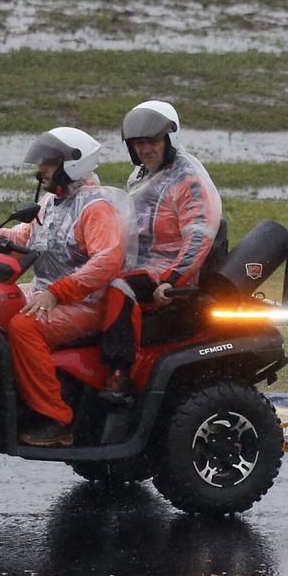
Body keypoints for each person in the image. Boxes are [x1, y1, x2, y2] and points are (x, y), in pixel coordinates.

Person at [0, 127, 135, 446]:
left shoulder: (95, 207)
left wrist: (57, 294)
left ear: (73, 163)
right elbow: (25, 238)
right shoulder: (53, 201)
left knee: (24, 327)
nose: (40, 168)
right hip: (48, 291)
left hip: (86, 302)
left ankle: (56, 419)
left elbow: (108, 261)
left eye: (48, 161)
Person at [99, 100, 222, 401]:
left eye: (152, 142)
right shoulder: (140, 175)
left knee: (119, 287)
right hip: (142, 262)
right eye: (139, 144)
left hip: (169, 271)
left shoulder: (187, 180)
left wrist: (174, 278)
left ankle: (120, 374)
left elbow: (199, 236)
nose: (145, 150)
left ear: (169, 139)